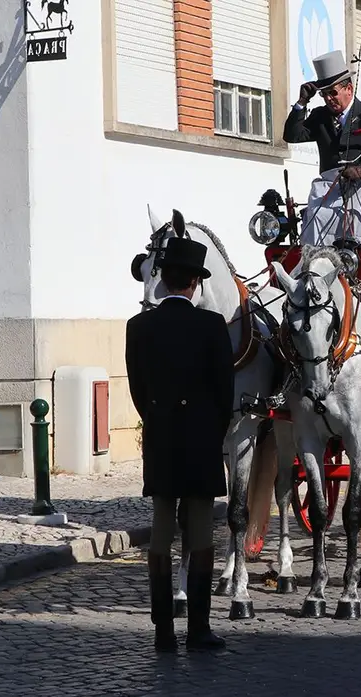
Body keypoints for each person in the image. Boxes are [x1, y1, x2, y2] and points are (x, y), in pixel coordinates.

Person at [125, 236, 233, 653]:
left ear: (165, 281)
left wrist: (157, 421)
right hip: (201, 440)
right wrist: (212, 431)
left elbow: (137, 389)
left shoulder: (139, 326)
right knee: (202, 535)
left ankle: (163, 631)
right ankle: (199, 628)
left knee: (161, 534)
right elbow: (224, 393)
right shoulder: (211, 326)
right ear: (194, 283)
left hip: (161, 438)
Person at [284, 50, 361, 247]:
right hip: (330, 184)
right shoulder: (319, 116)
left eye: (333, 93)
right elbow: (292, 135)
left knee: (357, 219)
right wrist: (302, 102)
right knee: (314, 218)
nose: (329, 99)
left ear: (348, 89)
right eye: (324, 94)